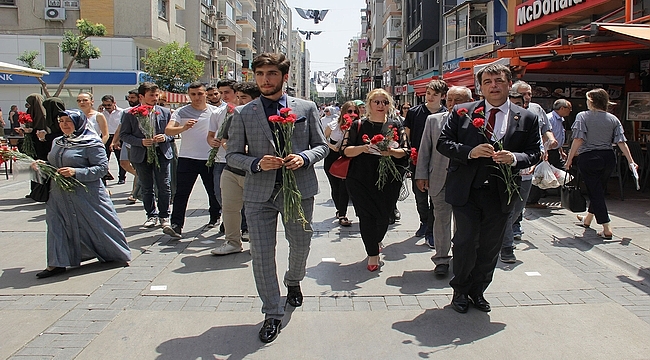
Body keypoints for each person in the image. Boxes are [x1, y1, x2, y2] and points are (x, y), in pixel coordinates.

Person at [226, 52, 328, 343]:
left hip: (298, 191)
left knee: (300, 244)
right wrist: (256, 163)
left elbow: (321, 146)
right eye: (259, 74)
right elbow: (232, 154)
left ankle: (293, 281)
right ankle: (272, 312)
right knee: (261, 254)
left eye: (271, 74)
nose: (265, 80)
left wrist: (304, 158)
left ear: (284, 77)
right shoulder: (244, 112)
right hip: (259, 194)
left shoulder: (306, 108)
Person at [437, 64, 542, 313]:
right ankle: (460, 290)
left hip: (501, 192)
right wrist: (469, 152)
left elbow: (535, 152)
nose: (493, 86)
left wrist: (514, 158)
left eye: (498, 80)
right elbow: (444, 143)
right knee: (464, 241)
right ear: (480, 87)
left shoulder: (526, 117)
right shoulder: (462, 112)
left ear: (508, 84)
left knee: (490, 246)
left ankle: (478, 290)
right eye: (487, 82)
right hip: (466, 190)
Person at [35, 109, 131, 278]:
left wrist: (76, 172)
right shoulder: (58, 142)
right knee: (57, 225)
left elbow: (101, 169)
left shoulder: (92, 143)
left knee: (98, 226)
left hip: (87, 195)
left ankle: (113, 254)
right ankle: (56, 263)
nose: (64, 124)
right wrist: (42, 166)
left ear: (78, 123)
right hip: (59, 194)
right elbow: (55, 163)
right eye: (61, 121)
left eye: (69, 121)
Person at [342, 89, 409, 272]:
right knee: (366, 217)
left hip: (389, 179)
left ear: (389, 105)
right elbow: (345, 150)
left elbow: (406, 150)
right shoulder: (358, 125)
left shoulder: (395, 124)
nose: (381, 106)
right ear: (369, 104)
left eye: (384, 102)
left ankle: (376, 239)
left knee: (384, 217)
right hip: (360, 178)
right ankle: (373, 253)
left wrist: (391, 152)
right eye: (377, 102)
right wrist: (364, 148)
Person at [415, 86, 473, 276]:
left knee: (463, 222)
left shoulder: (476, 123)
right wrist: (421, 175)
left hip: (466, 182)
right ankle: (441, 259)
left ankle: (461, 258)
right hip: (439, 178)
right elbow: (425, 150)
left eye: (459, 100)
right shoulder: (434, 121)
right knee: (441, 220)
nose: (453, 104)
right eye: (450, 100)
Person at [565, 88, 637, 240]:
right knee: (598, 189)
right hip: (608, 157)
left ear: (591, 101)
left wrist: (569, 158)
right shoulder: (613, 119)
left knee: (595, 191)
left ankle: (606, 226)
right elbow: (621, 142)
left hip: (589, 157)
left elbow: (578, 139)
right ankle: (588, 219)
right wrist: (631, 161)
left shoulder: (582, 116)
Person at [163, 82, 223, 239]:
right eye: (193, 94)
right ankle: (176, 225)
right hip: (187, 158)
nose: (197, 97)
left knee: (213, 191)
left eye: (200, 94)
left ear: (206, 95)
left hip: (209, 158)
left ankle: (215, 217)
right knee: (181, 193)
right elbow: (169, 130)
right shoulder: (181, 112)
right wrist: (183, 128)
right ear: (189, 95)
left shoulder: (215, 111)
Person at [210, 82, 260, 255]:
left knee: (255, 211)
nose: (238, 101)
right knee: (229, 208)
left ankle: (256, 243)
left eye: (243, 98)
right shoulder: (233, 116)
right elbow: (223, 139)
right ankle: (232, 242)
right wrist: (231, 148)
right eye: (237, 97)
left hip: (255, 172)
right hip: (231, 169)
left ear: (256, 99)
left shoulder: (264, 117)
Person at [120, 82, 174, 229]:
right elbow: (124, 135)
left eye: (157, 95)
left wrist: (165, 137)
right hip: (141, 153)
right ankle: (151, 214)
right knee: (146, 186)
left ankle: (164, 215)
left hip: (161, 152)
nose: (155, 98)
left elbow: (173, 133)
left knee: (164, 185)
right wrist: (140, 142)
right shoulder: (129, 114)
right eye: (151, 95)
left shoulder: (165, 112)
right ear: (141, 96)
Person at [404, 80, 448, 245]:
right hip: (418, 160)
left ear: (442, 96)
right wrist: (409, 153)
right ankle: (424, 221)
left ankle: (431, 229)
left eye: (435, 94)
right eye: (428, 93)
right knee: (420, 195)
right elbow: (406, 134)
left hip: (438, 161)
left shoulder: (446, 114)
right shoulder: (415, 112)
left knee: (436, 198)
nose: (430, 97)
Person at [511, 81, 558, 208]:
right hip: (516, 158)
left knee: (524, 194)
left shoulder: (536, 109)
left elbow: (546, 128)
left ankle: (517, 223)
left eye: (529, 94)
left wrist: (551, 140)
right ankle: (513, 224)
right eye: (523, 94)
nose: (527, 96)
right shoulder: (508, 110)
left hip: (535, 155)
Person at [324, 100, 358, 227]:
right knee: (335, 187)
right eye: (350, 111)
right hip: (332, 157)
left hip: (349, 158)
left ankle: (342, 214)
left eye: (355, 111)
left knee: (344, 187)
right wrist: (332, 147)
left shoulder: (358, 125)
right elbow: (323, 138)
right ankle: (339, 209)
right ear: (344, 112)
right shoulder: (333, 125)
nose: (353, 114)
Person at [102, 95, 126, 184]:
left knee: (120, 159)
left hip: (118, 136)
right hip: (106, 136)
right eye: (105, 105)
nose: (107, 107)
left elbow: (122, 126)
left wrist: (117, 140)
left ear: (114, 103)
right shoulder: (101, 113)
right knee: (104, 158)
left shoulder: (121, 112)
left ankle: (122, 177)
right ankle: (104, 177)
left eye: (109, 105)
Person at [547, 99, 572, 169]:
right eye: (569, 108)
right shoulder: (550, 118)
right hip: (549, 151)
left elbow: (557, 136)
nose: (570, 111)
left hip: (556, 151)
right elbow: (545, 134)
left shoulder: (560, 119)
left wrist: (561, 151)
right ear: (562, 108)